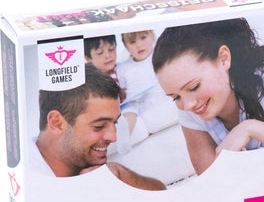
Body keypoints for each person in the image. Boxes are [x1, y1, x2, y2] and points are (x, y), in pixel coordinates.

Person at [153, 18, 264, 175]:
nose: (188, 105)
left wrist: (250, 128)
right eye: (175, 97)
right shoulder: (190, 107)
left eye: (194, 87)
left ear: (224, 59)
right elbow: (212, 181)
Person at [35, 63, 166, 190]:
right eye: (99, 126)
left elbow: (161, 192)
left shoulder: (82, 162)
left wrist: (121, 174)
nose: (114, 137)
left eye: (115, 122)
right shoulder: (32, 182)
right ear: (57, 124)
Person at [117, 30, 176, 136]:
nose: (139, 45)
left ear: (152, 36)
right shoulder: (122, 68)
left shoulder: (161, 55)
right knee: (128, 112)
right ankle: (122, 138)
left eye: (143, 38)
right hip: (135, 105)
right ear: (125, 46)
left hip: (162, 98)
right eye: (132, 42)